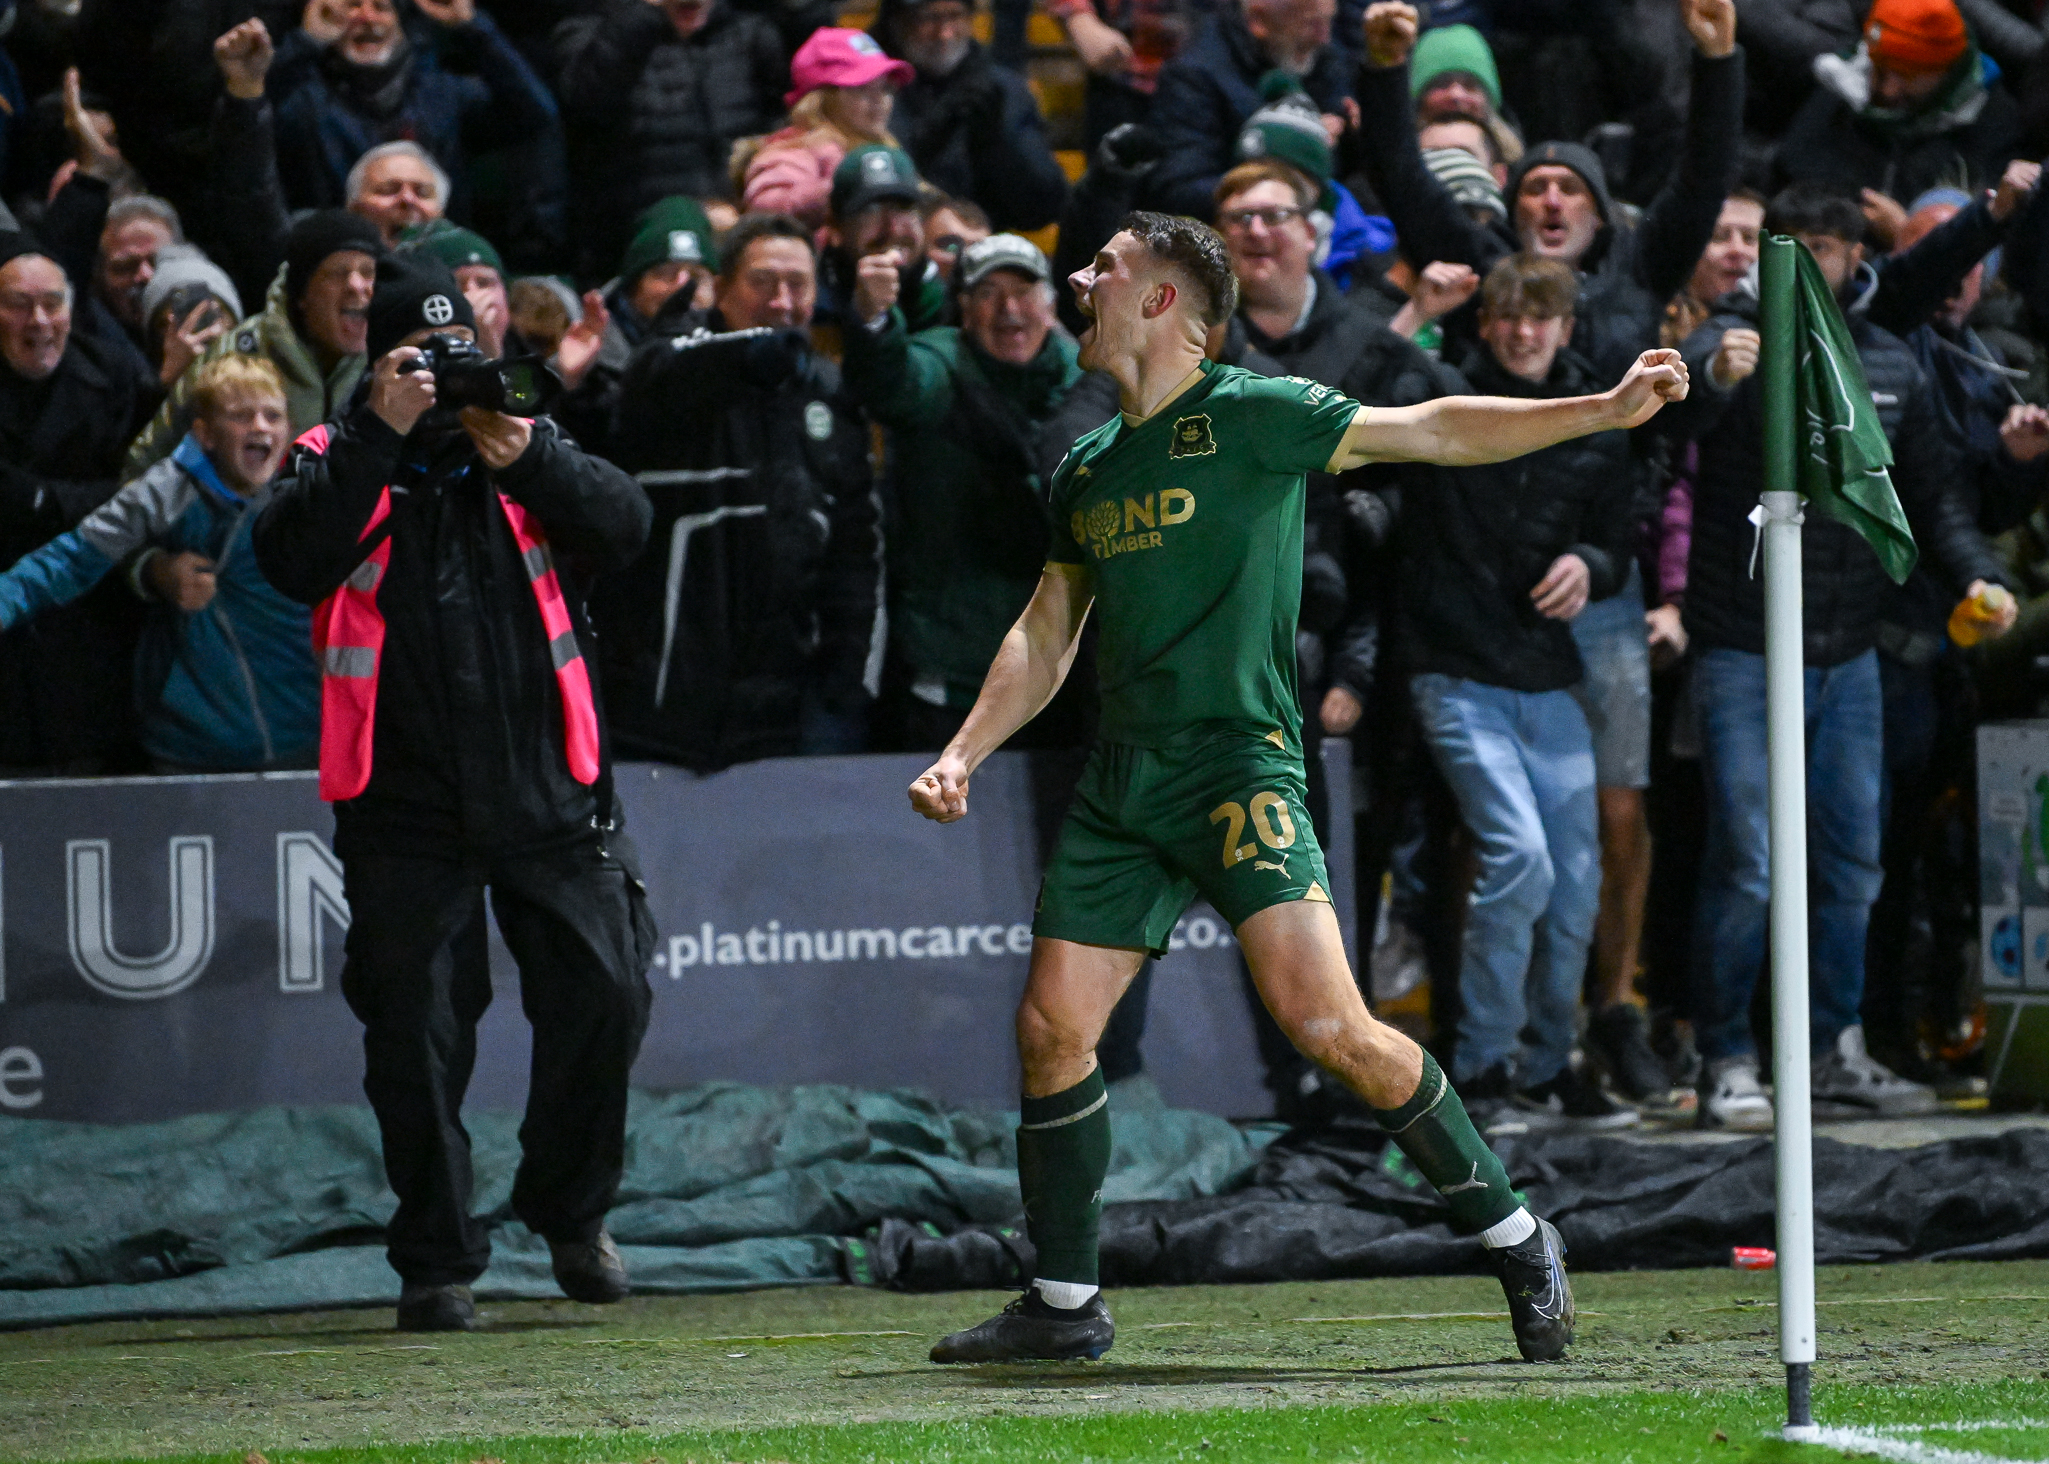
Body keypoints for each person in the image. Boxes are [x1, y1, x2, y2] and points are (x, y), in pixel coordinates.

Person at [910, 212, 1690, 1364]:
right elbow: (1050, 624)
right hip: (1125, 780)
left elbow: (1428, 427)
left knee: (1331, 1028)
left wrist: (1601, 410)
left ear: (1165, 301)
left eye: (1105, 268)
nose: (1079, 280)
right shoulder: (1085, 462)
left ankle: (1519, 1235)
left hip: (1239, 764)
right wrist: (963, 751)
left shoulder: (1251, 414)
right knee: (1050, 1033)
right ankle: (1065, 1306)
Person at [252, 256, 656, 1333]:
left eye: (457, 354)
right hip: (404, 806)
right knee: (415, 1030)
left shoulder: (518, 448)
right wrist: (381, 432)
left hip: (550, 790)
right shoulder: (336, 453)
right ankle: (437, 1257)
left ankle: (571, 1214)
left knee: (607, 995)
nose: (441, 377)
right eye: (414, 360)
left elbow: (625, 526)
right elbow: (288, 557)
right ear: (371, 362)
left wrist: (523, 453)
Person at [1671, 184, 2016, 1129]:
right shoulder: (1727, 340)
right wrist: (1714, 378)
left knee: (1853, 863)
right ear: (1770, 254)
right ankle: (1725, 1058)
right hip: (1742, 647)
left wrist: (1982, 576)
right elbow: (1664, 435)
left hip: (1851, 653)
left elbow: (1935, 502)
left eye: (1831, 247)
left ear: (1856, 258)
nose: (1816, 263)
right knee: (1746, 860)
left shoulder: (1887, 360)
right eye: (1799, 245)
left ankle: (1832, 1048)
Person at [1404, 253, 1639, 1129]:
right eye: (1507, 314)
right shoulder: (1444, 401)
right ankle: (1483, 1068)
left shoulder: (1598, 424)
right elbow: (1355, 395)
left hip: (1547, 678)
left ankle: (1550, 1064)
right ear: (1486, 323)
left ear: (1565, 327)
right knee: (1521, 860)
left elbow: (1618, 540)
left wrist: (1589, 562)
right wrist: (1414, 311)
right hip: (1455, 670)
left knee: (1576, 879)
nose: (1522, 329)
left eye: (1539, 315)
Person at [598, 212, 880, 769]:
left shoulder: (829, 392)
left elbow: (856, 552)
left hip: (789, 718)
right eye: (762, 282)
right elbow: (652, 384)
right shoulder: (682, 371)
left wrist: (845, 676)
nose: (781, 301)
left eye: (797, 284)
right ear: (720, 291)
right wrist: (743, 352)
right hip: (660, 715)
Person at [1357, 0, 1744, 379]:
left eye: (1572, 189)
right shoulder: (1476, 266)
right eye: (1536, 188)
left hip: (1613, 443)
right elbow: (1400, 176)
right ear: (1512, 208)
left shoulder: (1640, 268)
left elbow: (1703, 183)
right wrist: (1385, 70)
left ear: (1598, 216)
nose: (1552, 202)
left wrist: (1718, 60)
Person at [0, 354, 316, 772]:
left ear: (290, 429)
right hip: (192, 751)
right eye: (241, 415)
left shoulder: (310, 493)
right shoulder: (166, 491)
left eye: (272, 415)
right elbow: (73, 558)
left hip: (310, 739)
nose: (260, 426)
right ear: (204, 433)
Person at [846, 231, 1084, 750]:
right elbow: (893, 381)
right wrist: (874, 322)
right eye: (988, 293)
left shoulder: (1086, 377)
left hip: (1064, 676)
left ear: (1050, 304)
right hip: (954, 677)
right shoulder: (941, 364)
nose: (1009, 309)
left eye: (1024, 291)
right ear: (964, 309)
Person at [0, 236, 159, 771]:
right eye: (19, 305)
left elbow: (141, 493)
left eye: (52, 304)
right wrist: (83, 500)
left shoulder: (112, 373)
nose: (39, 322)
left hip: (90, 629)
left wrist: (39, 499)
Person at [125, 209, 381, 478]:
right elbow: (145, 465)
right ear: (301, 294)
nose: (356, 285)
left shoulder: (388, 365)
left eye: (368, 273)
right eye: (338, 273)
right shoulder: (233, 358)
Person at [555, 0, 785, 281]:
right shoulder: (593, 30)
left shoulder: (751, 34)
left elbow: (779, 131)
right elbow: (586, 103)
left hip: (737, 233)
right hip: (635, 246)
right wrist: (644, 17)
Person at [271, 0, 560, 218]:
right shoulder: (306, 101)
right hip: (343, 264)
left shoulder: (444, 95)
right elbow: (249, 122)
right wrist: (305, 42)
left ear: (403, 26)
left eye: (382, 7)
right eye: (352, 6)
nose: (367, 17)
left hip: (438, 260)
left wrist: (473, 27)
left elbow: (534, 112)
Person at [1774, 0, 2022, 221]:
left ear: (1946, 72)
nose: (1889, 90)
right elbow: (1790, 175)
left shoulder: (1993, 122)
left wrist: (1907, 233)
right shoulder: (1842, 88)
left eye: (1908, 75)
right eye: (1880, 69)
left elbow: (1991, 228)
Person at [870, 0, 1070, 232]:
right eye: (929, 19)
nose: (944, 33)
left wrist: (997, 142)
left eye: (955, 16)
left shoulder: (1002, 90)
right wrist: (938, 126)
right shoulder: (875, 91)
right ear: (898, 24)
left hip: (984, 243)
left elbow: (1045, 205)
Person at [1146, 0, 1356, 221]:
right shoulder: (1193, 76)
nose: (1324, 37)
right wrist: (1282, 166)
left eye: (1329, 20)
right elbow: (1178, 190)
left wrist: (1353, 129)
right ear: (1259, 22)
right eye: (1312, 24)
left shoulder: (1316, 54)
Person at [736, 28, 912, 231]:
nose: (879, 100)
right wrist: (850, 185)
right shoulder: (792, 152)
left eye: (886, 88)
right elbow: (766, 212)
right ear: (821, 99)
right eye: (860, 88)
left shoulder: (888, 149)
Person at [813, 144, 948, 351]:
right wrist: (866, 316)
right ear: (835, 229)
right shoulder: (808, 302)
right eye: (871, 210)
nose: (892, 228)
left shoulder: (948, 302)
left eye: (903, 207)